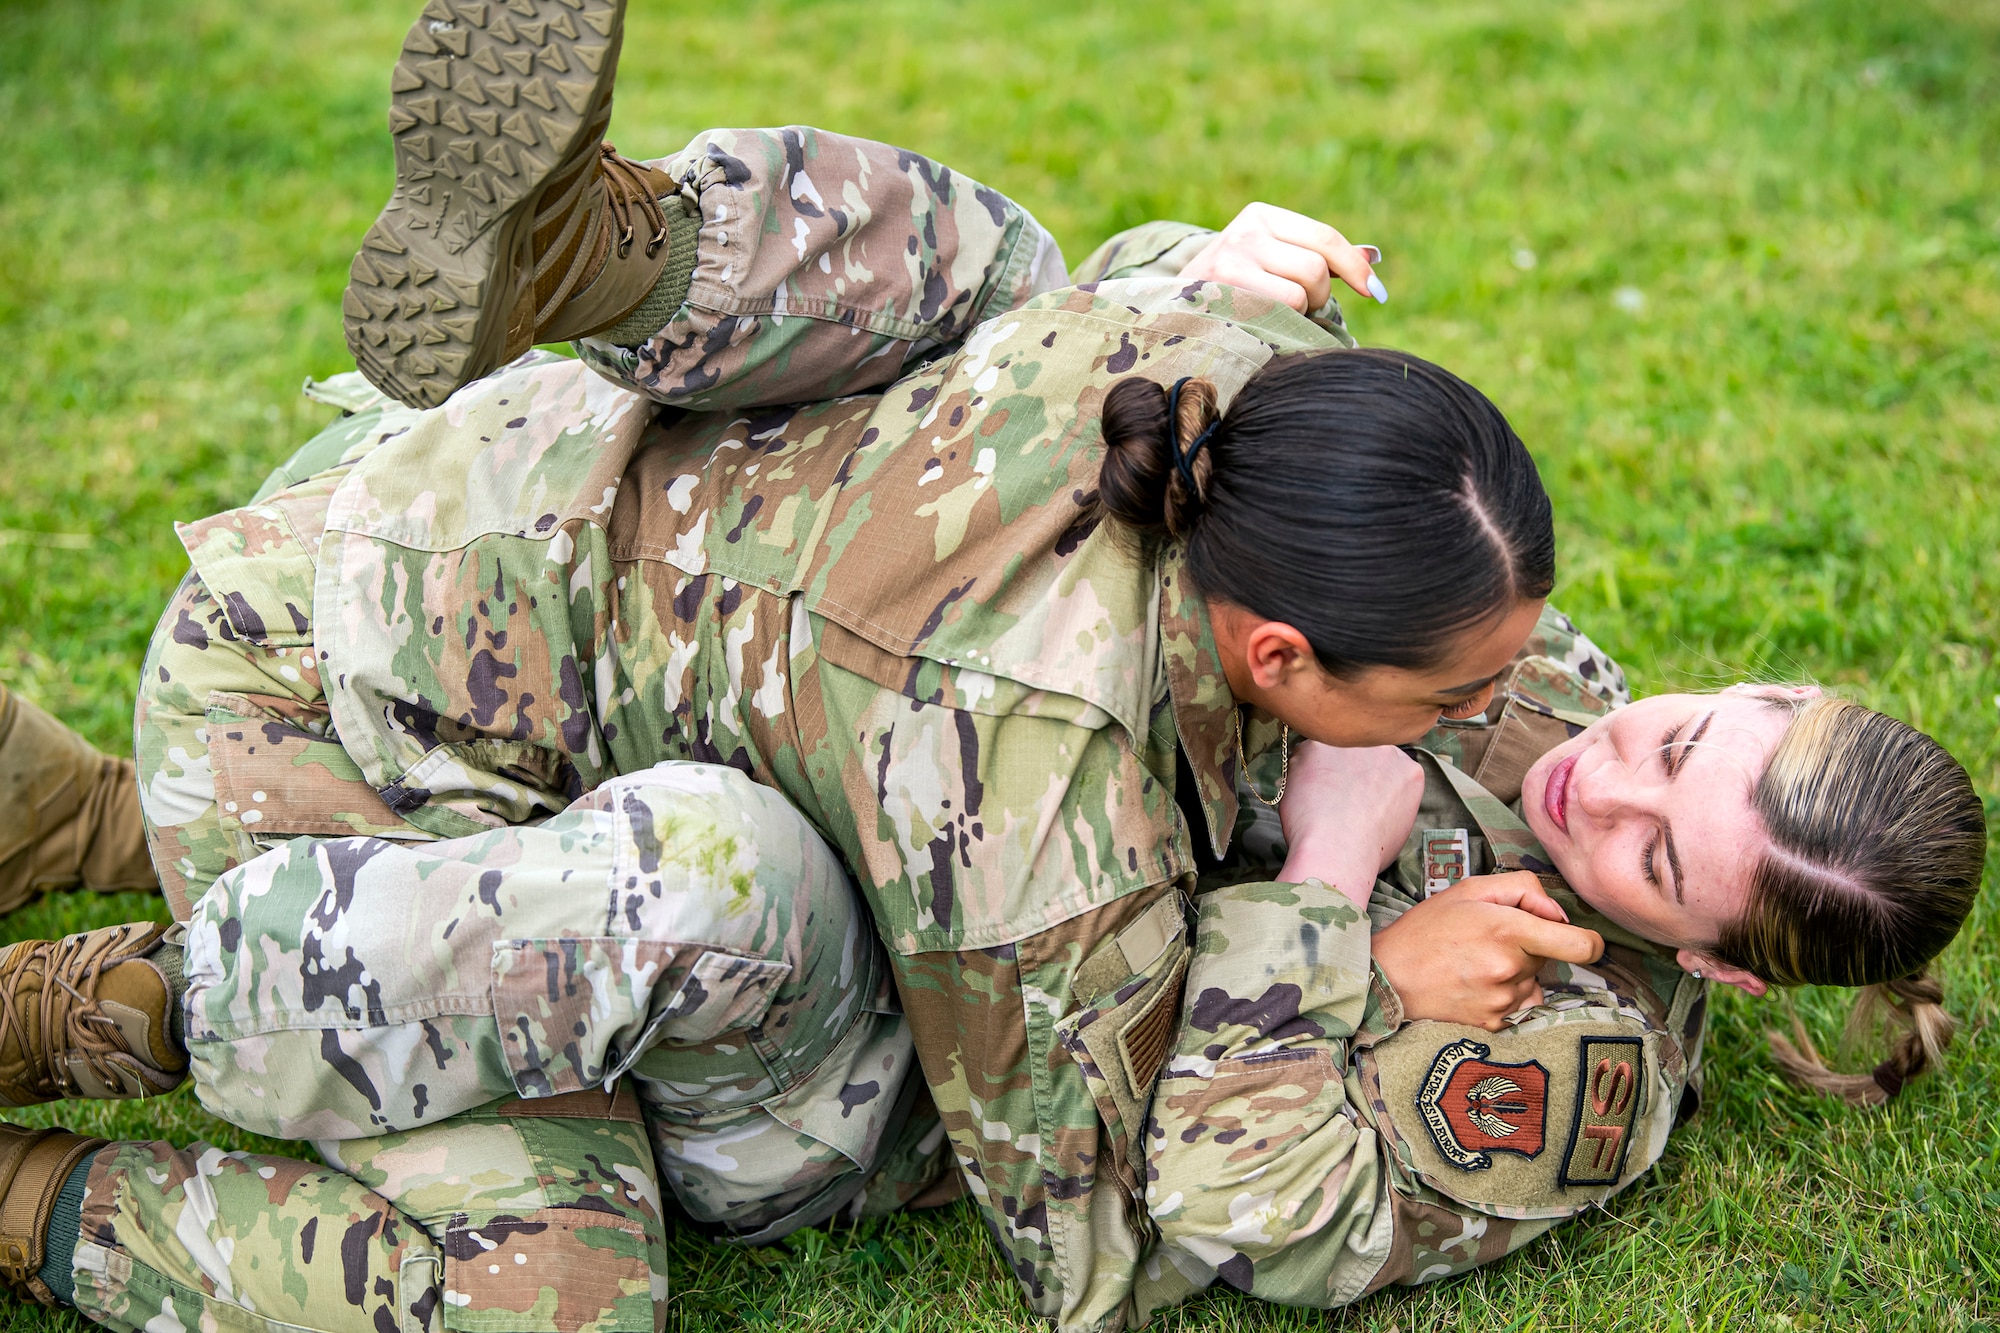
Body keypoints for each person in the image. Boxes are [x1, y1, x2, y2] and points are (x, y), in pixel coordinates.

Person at [0, 2, 1979, 1330]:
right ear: (1759, 696)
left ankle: (66, 1063)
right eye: (1684, 736)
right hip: (489, 690)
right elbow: (1094, 493)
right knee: (1027, 307)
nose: (1590, 774)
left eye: (1651, 853)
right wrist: (1172, 300)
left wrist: (1326, 915)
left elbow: (1232, 1217)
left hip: (524, 688)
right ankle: (589, 270)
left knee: (596, 1163)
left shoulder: (1573, 1059)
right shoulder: (1518, 661)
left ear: (1705, 957)